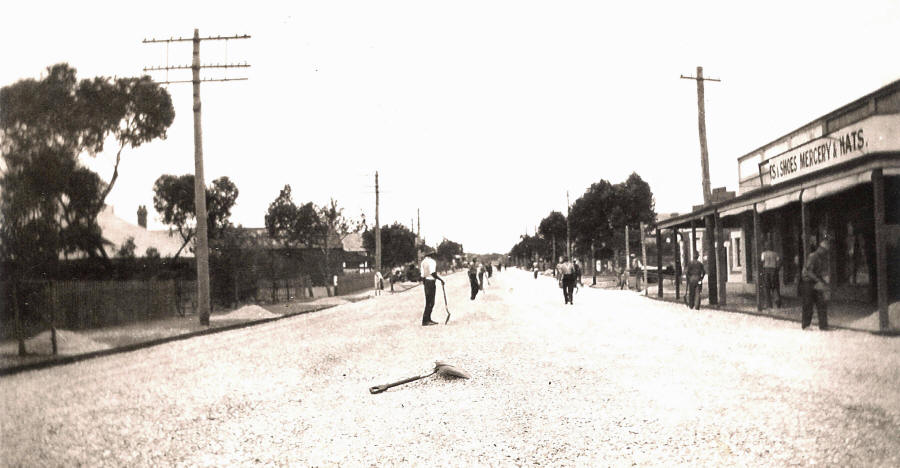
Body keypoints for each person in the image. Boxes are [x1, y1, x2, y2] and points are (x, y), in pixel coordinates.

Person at [800, 238, 832, 330]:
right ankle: (806, 325)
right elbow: (809, 271)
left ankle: (823, 326)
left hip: (816, 281)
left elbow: (820, 271)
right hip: (808, 282)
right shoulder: (813, 256)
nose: (826, 253)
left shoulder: (821, 258)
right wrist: (819, 280)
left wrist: (824, 281)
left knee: (822, 303)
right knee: (808, 304)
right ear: (821, 249)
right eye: (825, 251)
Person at [419, 251, 445, 326]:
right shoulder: (432, 262)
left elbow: (422, 275)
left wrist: (425, 283)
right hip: (431, 282)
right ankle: (425, 320)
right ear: (432, 255)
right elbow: (433, 273)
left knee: (428, 302)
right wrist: (441, 280)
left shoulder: (423, 262)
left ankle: (427, 319)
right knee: (431, 302)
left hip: (426, 282)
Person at [760, 241, 782, 308]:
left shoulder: (763, 254)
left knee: (767, 287)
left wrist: (762, 270)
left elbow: (762, 262)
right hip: (774, 270)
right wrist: (777, 269)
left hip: (766, 270)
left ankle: (769, 304)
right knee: (775, 286)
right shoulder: (775, 254)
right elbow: (779, 262)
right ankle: (777, 300)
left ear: (766, 247)